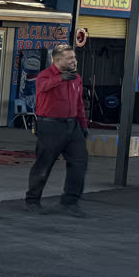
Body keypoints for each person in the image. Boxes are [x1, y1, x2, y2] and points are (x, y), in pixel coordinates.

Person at [26, 44, 88, 217]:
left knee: (80, 162)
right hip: (50, 125)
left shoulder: (76, 78)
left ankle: (70, 201)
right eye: (70, 58)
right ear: (58, 60)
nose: (74, 61)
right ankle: (32, 200)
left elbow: (79, 103)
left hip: (72, 125)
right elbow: (42, 87)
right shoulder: (44, 76)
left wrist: (82, 125)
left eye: (74, 58)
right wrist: (61, 78)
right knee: (44, 164)